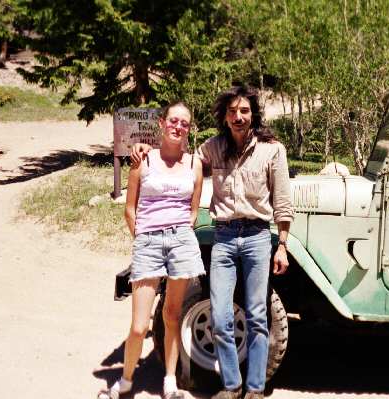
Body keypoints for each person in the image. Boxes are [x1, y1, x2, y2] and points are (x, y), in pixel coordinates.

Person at [131, 85, 294, 399]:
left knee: (258, 315)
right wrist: (145, 149)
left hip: (258, 236)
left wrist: (283, 244)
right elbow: (177, 157)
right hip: (223, 237)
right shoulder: (212, 148)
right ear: (225, 117)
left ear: (253, 115)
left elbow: (283, 201)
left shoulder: (272, 150)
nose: (238, 117)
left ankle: (256, 389)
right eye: (232, 112)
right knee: (220, 317)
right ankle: (231, 385)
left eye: (244, 111)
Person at [100, 101, 205, 399]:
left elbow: (193, 210)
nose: (178, 127)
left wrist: (181, 234)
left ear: (189, 128)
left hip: (181, 241)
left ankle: (170, 381)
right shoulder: (143, 160)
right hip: (148, 241)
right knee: (138, 325)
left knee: (172, 315)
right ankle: (127, 379)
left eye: (184, 123)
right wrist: (143, 237)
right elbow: (130, 210)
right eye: (173, 120)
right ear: (161, 123)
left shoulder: (195, 163)